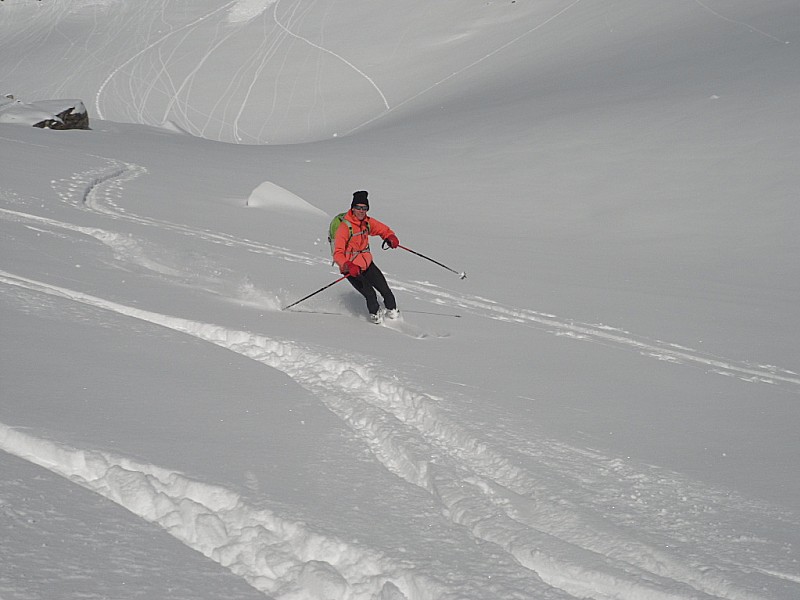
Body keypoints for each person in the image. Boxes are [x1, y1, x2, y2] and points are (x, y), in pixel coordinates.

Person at [333, 190, 400, 324]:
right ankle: (375, 318)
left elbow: (382, 229)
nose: (361, 211)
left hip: (367, 264)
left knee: (385, 289)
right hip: (351, 269)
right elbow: (337, 253)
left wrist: (390, 237)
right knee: (370, 294)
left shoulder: (366, 222)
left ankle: (394, 313)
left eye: (364, 208)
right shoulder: (344, 228)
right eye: (358, 207)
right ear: (352, 208)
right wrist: (348, 266)